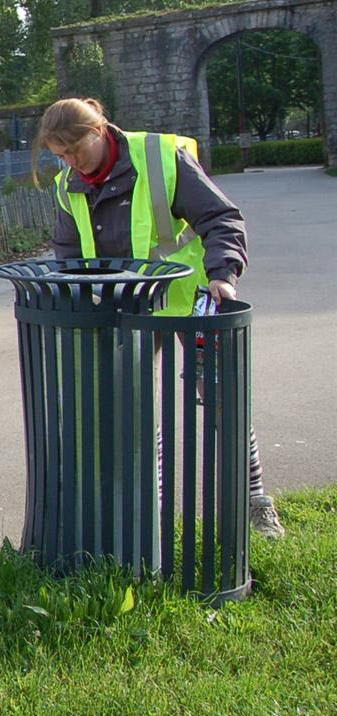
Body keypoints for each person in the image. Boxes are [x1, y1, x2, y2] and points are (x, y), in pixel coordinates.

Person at [36, 97, 282, 538]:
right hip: (126, 312)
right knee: (136, 412)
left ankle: (254, 501)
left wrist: (224, 274)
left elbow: (222, 218)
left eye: (76, 151)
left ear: (99, 131)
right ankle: (154, 514)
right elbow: (69, 256)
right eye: (61, 156)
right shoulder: (67, 185)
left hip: (189, 299)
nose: (72, 163)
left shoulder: (159, 157)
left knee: (223, 397)